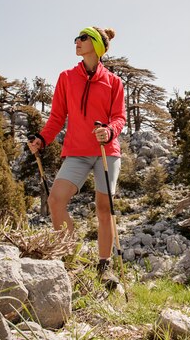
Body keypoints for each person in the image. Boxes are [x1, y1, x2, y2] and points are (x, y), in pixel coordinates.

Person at [27, 26, 125, 288]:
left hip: (106, 152)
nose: (76, 42)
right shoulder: (67, 77)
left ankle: (104, 267)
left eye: (82, 38)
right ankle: (70, 256)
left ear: (96, 45)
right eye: (76, 39)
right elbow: (57, 116)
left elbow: (119, 118)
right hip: (77, 152)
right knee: (55, 200)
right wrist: (43, 138)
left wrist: (109, 130)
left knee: (105, 210)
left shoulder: (114, 82)